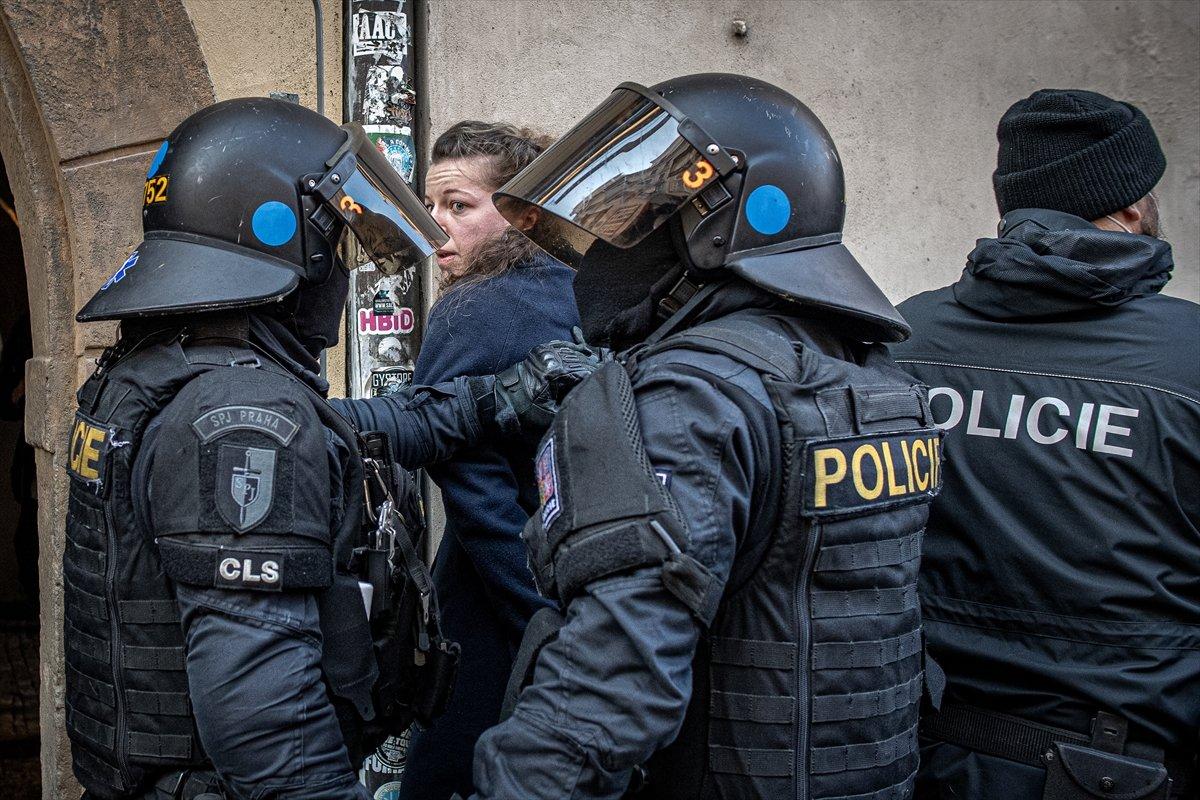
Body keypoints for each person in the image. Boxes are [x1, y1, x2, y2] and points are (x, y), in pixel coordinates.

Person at [63, 97, 594, 800]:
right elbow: (267, 722)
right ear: (294, 253)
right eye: (337, 251)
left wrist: (496, 399)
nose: (342, 278)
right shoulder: (241, 417)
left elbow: (334, 429)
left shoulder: (164, 372)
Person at [463, 73, 946, 800]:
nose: (609, 251)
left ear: (717, 228)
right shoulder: (873, 381)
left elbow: (608, 689)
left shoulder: (690, 398)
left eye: (640, 224)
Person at [892, 90, 1199, 798]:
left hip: (916, 756)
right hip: (1122, 771)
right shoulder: (1190, 359)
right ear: (1132, 208)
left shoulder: (905, 338)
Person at [386, 121, 578, 800]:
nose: (435, 225)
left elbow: (476, 496)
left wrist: (538, 625)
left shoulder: (473, 308)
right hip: (589, 582)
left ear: (523, 214)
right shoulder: (581, 289)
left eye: (459, 206)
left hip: (501, 603)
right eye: (431, 206)